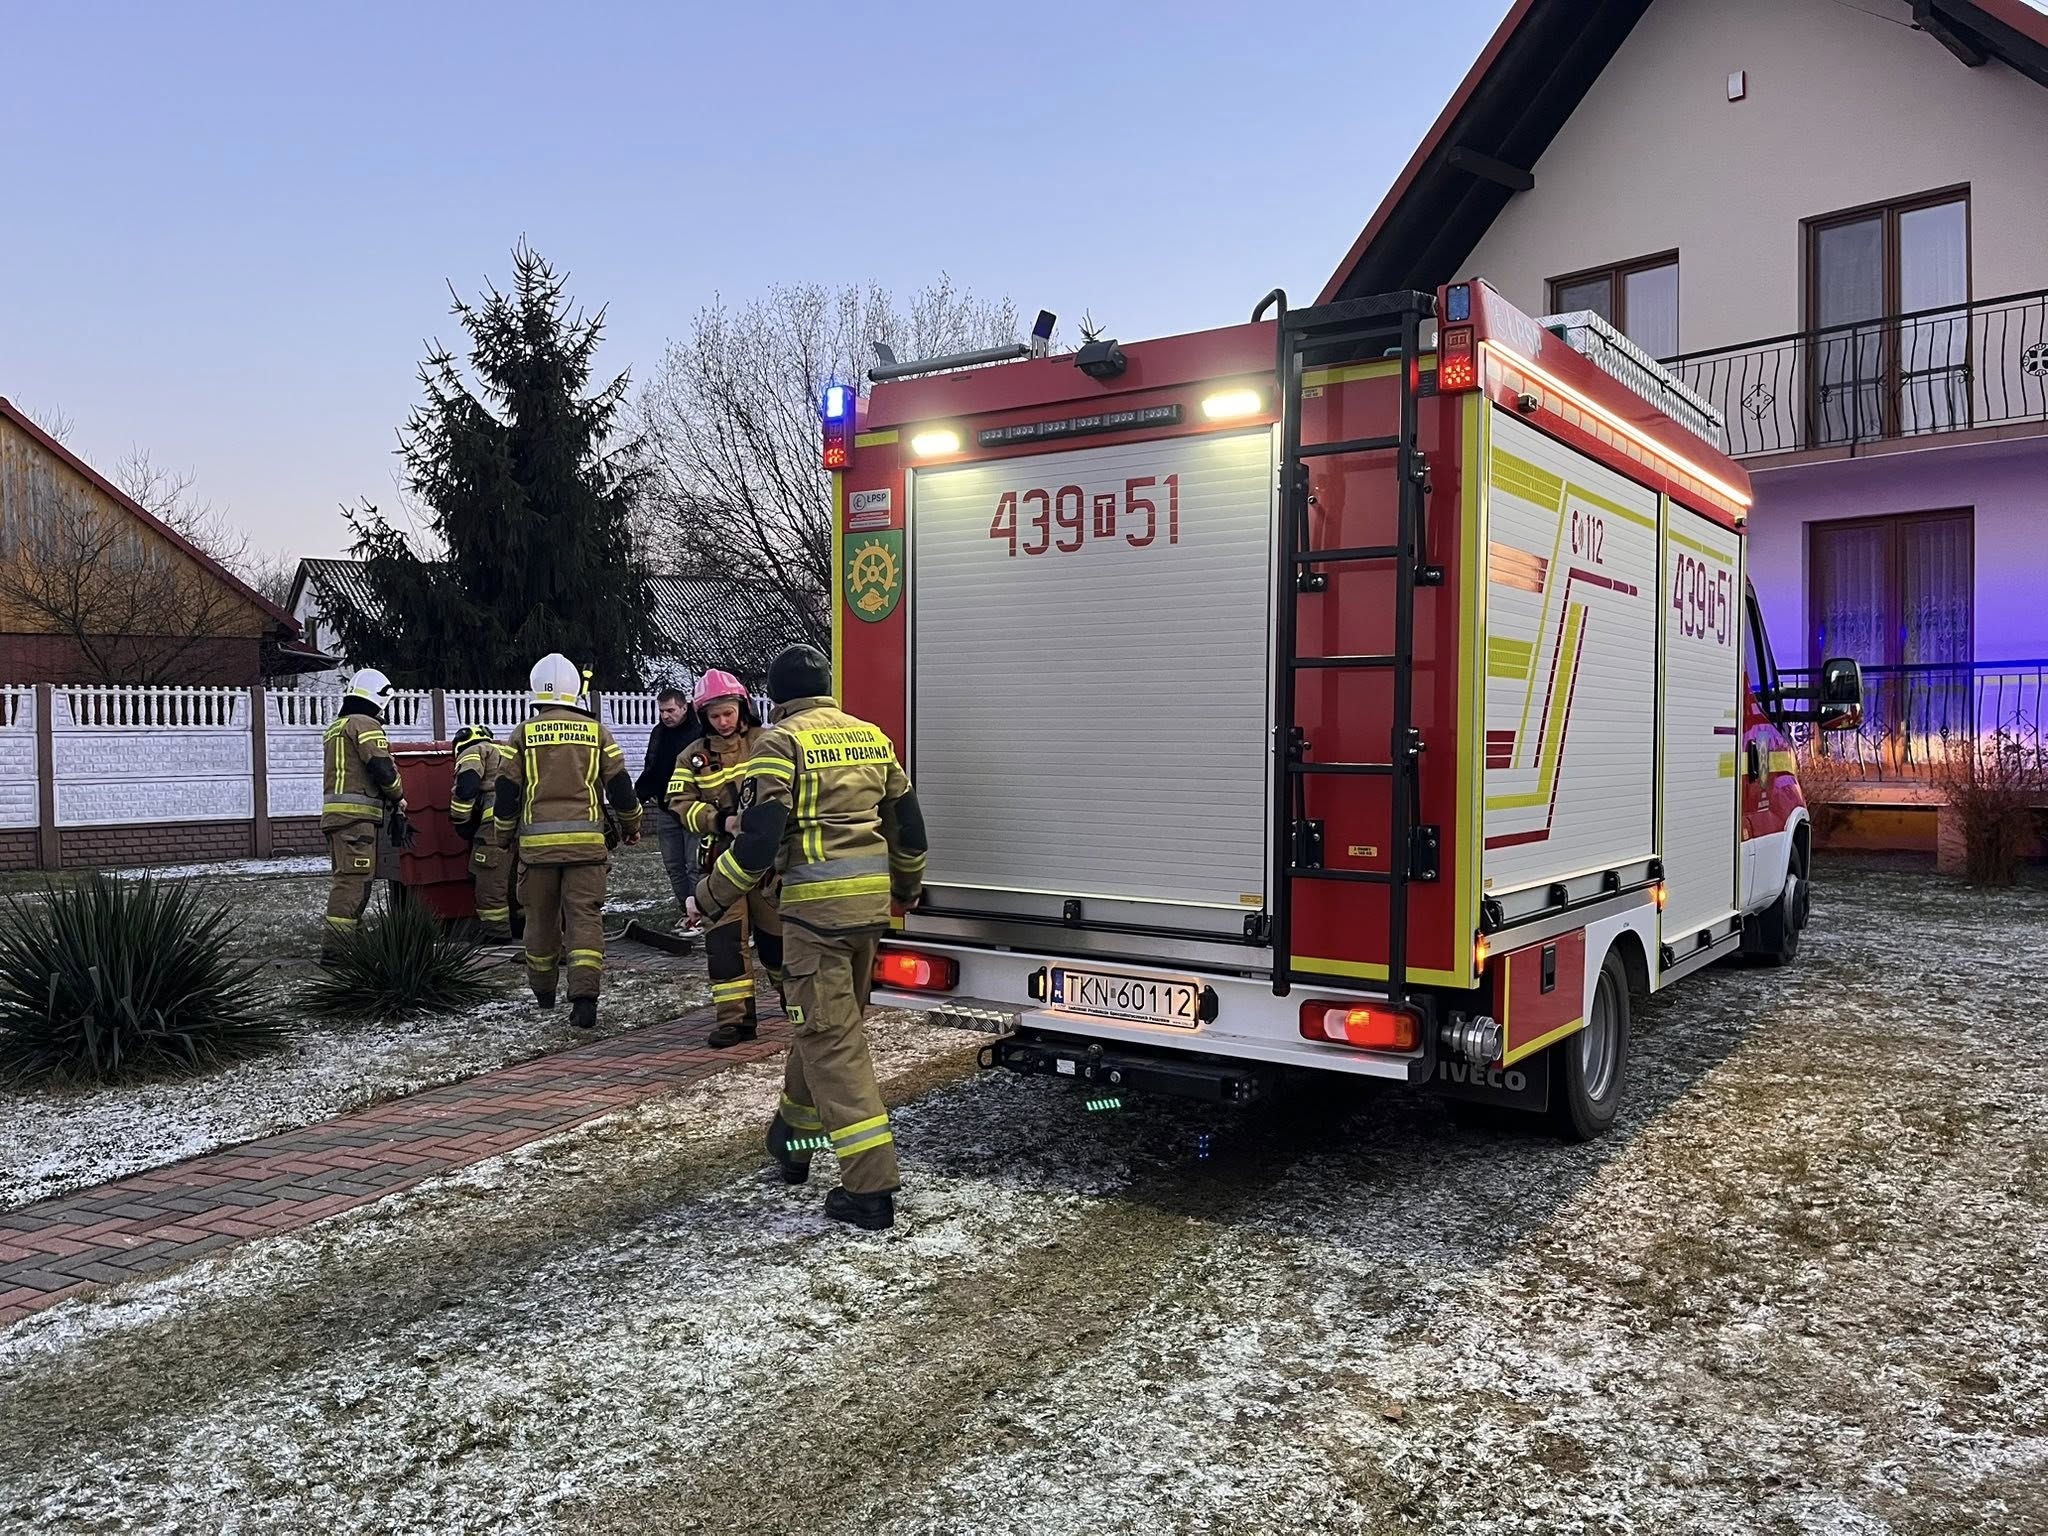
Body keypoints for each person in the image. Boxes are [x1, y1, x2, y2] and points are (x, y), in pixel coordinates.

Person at [689, 644, 928, 1231]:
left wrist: (708, 897)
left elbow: (759, 841)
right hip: (869, 912)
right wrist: (908, 886)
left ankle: (869, 1190)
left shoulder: (780, 742)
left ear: (774, 696)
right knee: (823, 1024)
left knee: (833, 1045)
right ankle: (792, 1139)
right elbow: (909, 823)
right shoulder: (870, 736)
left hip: (814, 920)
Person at [492, 653, 642, 1030]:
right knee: (585, 919)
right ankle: (585, 999)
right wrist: (631, 825)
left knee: (540, 920)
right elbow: (621, 787)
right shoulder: (596, 732)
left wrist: (503, 835)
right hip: (587, 848)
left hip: (537, 850)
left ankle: (544, 992)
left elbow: (507, 791)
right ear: (574, 691)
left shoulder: (523, 734)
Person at [668, 669, 783, 1049]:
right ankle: (735, 1022)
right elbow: (679, 804)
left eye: (729, 712)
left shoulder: (769, 742)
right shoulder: (692, 756)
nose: (723, 721)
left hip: (768, 862)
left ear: (743, 708)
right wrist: (720, 820)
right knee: (724, 946)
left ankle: (793, 999)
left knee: (778, 940)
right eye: (715, 715)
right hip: (718, 862)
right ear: (704, 716)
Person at [319, 668, 407, 961]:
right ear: (379, 698)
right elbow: (382, 768)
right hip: (355, 821)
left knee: (353, 877)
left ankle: (351, 941)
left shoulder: (338, 726)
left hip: (339, 818)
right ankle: (338, 949)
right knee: (353, 881)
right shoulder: (365, 724)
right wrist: (398, 796)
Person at [634, 684, 700, 920]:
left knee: (694, 865)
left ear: (684, 707)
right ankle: (686, 910)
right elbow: (652, 766)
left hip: (694, 808)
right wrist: (640, 794)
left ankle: (699, 911)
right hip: (665, 807)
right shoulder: (658, 732)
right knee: (673, 865)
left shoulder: (698, 731)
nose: (665, 716)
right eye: (662, 711)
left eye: (670, 710)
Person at [450, 724, 516, 940]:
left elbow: (467, 787)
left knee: (489, 877)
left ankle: (495, 932)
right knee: (519, 876)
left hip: (494, 827)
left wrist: (461, 822)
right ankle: (522, 923)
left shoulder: (473, 751)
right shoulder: (507, 750)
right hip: (528, 824)